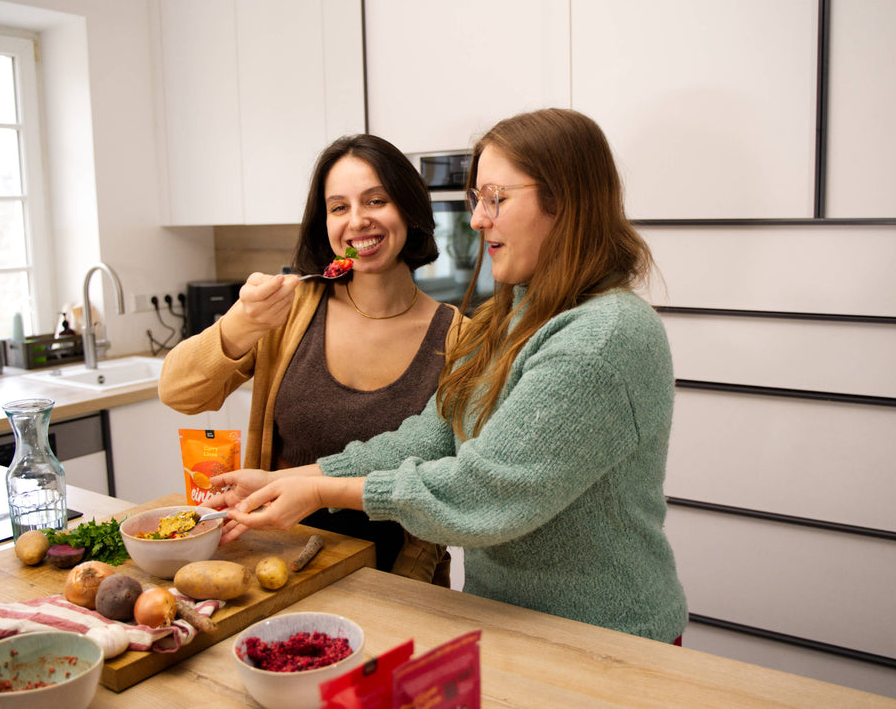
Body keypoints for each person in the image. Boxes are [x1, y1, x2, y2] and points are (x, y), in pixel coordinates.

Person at [203, 108, 688, 642]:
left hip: (603, 640)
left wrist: (325, 494)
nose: (478, 220)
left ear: (565, 201)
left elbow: (484, 490)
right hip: (503, 620)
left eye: (496, 198)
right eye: (476, 200)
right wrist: (289, 479)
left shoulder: (602, 337)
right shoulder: (511, 315)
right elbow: (433, 434)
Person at [159, 134, 467, 586]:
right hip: (275, 565)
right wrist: (241, 323)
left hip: (399, 578)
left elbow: (446, 467)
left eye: (376, 201)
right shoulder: (292, 310)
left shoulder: (460, 336)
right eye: (338, 207)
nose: (358, 221)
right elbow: (178, 392)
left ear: (410, 209)